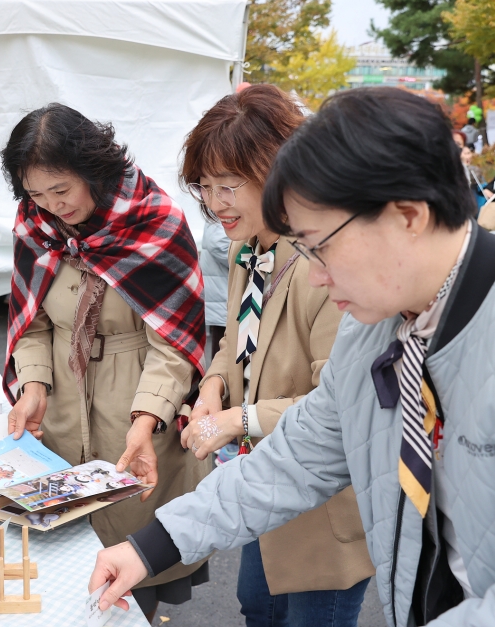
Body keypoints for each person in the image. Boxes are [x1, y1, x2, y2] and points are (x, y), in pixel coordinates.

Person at [90, 87, 495, 627]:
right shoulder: (376, 325)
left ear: (408, 216)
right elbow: (297, 457)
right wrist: (149, 548)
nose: (318, 275)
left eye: (320, 246)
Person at [0, 103, 211, 620]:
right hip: (64, 413)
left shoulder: (156, 222)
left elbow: (174, 344)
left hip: (139, 414)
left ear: (92, 171)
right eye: (36, 194)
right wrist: (33, 386)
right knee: (65, 563)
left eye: (61, 190)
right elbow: (34, 322)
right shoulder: (37, 225)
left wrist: (146, 421)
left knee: (137, 560)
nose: (51, 207)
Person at [179, 84, 373, 626]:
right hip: (264, 484)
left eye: (227, 185)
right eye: (204, 186)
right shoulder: (250, 247)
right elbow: (236, 344)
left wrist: (236, 419)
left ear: (274, 170)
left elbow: (339, 406)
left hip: (324, 508)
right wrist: (215, 386)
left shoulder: (325, 264)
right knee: (257, 609)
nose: (214, 203)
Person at [199, 220, 231, 357]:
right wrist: (252, 259)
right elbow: (218, 244)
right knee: (224, 351)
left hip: (222, 294)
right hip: (223, 296)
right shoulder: (220, 212)